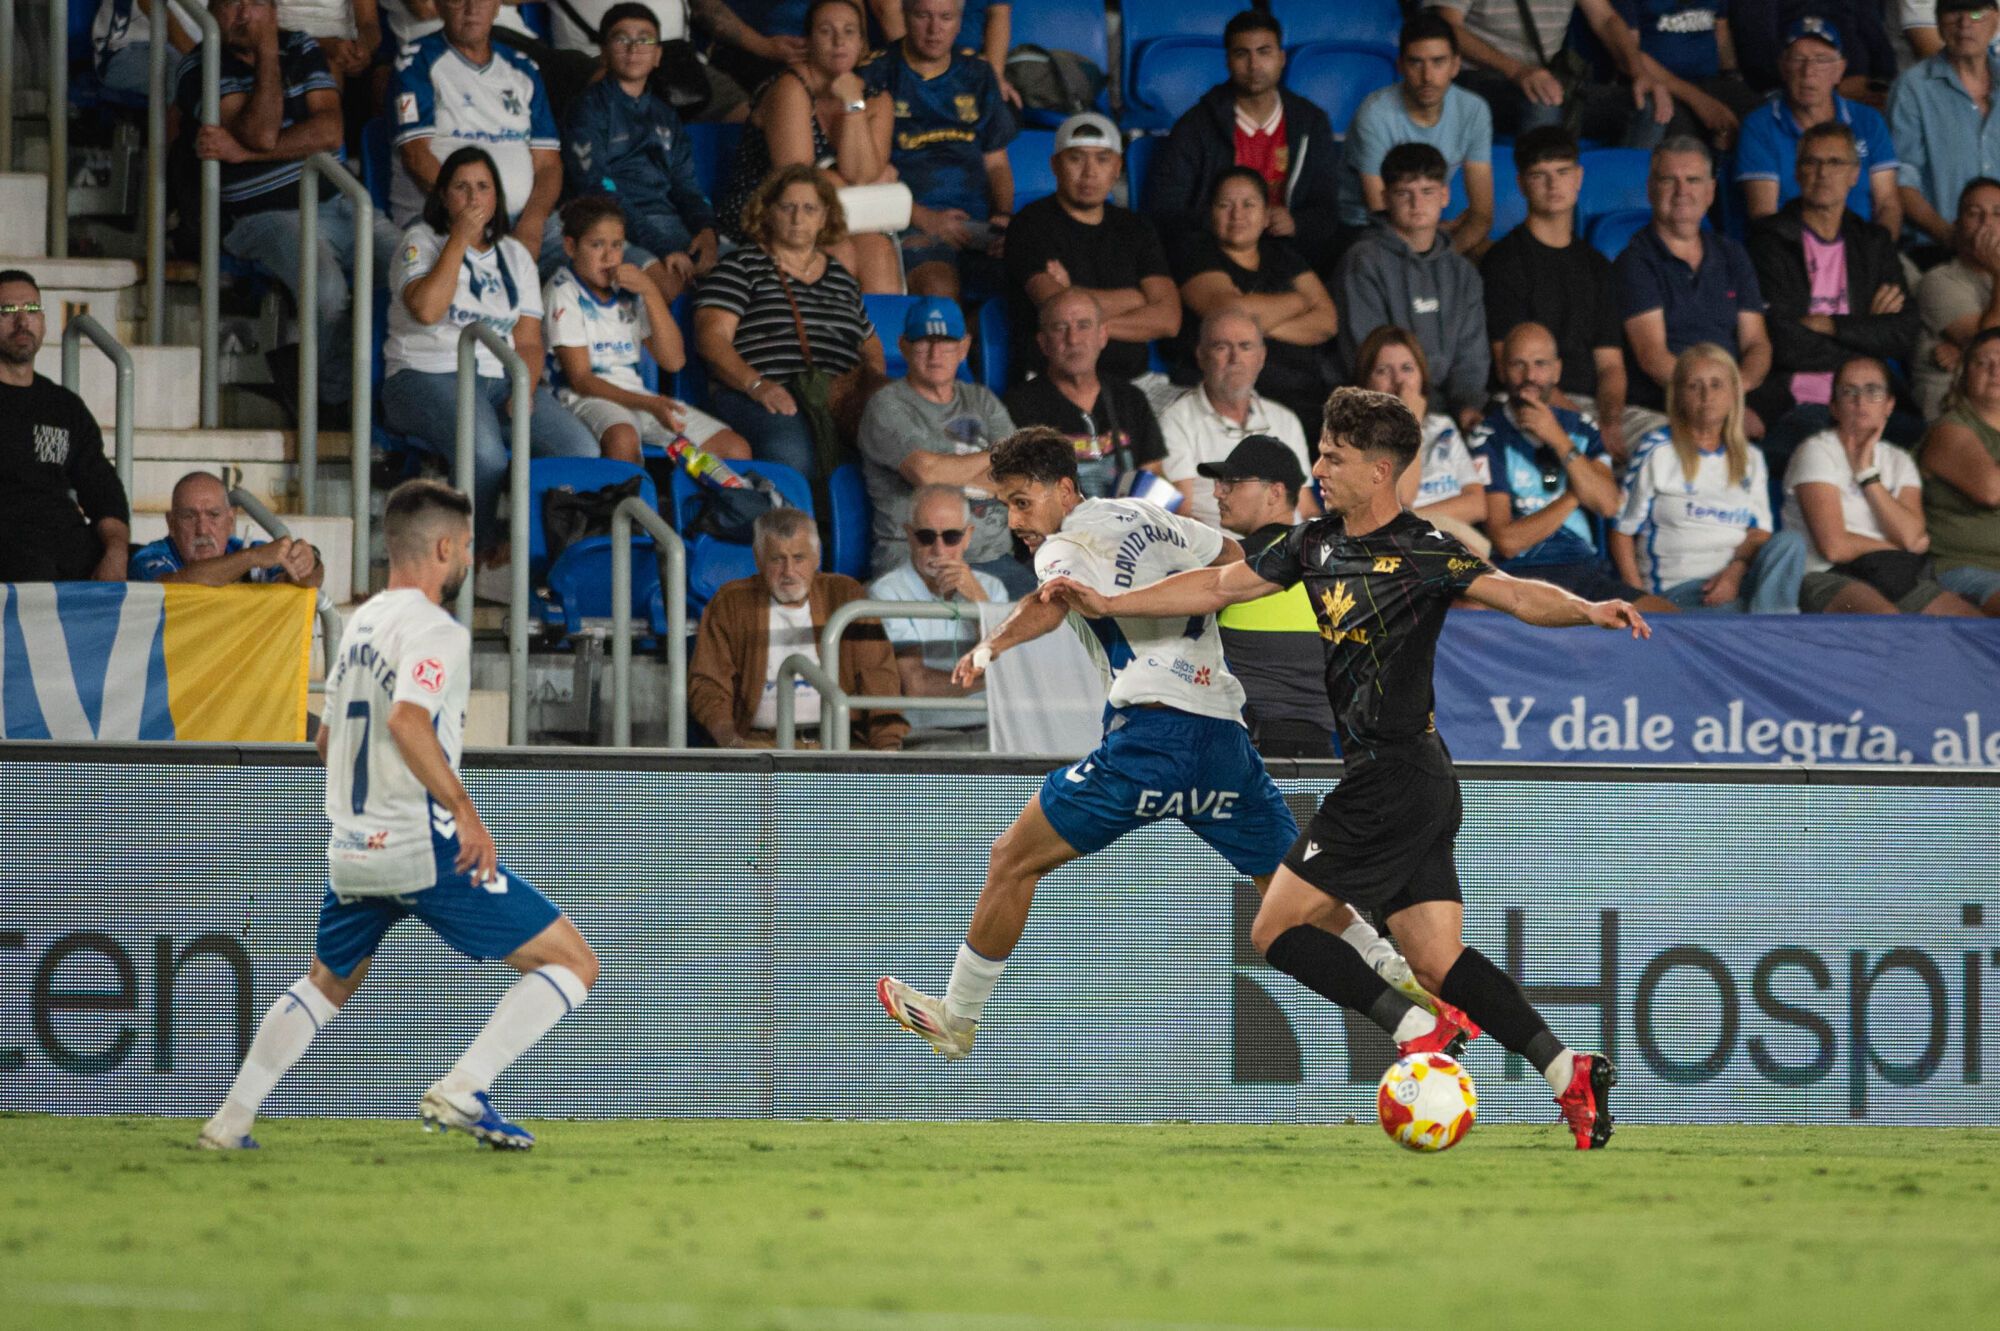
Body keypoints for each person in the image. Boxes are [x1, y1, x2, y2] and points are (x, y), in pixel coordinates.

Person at [1040, 388, 1648, 1150]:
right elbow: (1221, 584)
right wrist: (1112, 600)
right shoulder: (1312, 543)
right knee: (1434, 955)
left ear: (1380, 469)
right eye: (1321, 451)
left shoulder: (1425, 550)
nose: (1319, 466)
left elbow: (1516, 593)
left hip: (1392, 779)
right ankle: (1568, 1072)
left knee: (1276, 928)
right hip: (1415, 777)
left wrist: (1589, 609)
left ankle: (1417, 1027)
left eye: (1335, 456)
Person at [876, 426, 1463, 1075]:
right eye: (1009, 506)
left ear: (1066, 488)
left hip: (1153, 735)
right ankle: (1405, 990)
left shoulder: (1064, 544)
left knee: (1013, 858)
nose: (1018, 521)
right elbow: (1237, 556)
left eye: (1023, 501)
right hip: (1222, 735)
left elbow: (1052, 602)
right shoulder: (1160, 519)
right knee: (1289, 887)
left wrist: (991, 646)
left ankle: (959, 1016)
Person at [196, 479, 600, 1151]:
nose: (468, 558)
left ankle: (229, 1121)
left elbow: (329, 741)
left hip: (353, 847)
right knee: (575, 962)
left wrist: (367, 811)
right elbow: (409, 719)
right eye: (467, 546)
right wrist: (464, 811)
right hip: (421, 844)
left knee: (325, 982)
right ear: (445, 546)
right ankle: (466, 1086)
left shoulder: (360, 621)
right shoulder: (436, 630)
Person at [174, 0, 395, 413]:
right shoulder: (198, 65)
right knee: (329, 291)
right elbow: (260, 130)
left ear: (273, 9)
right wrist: (267, 56)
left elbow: (330, 132)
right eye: (230, 5)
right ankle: (334, 399)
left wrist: (245, 153)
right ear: (212, 12)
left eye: (254, 3)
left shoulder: (303, 46)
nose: (243, 14)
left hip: (335, 203)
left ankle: (386, 385)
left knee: (406, 269)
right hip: (261, 216)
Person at [380, 148, 600, 553]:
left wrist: (525, 388)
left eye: (483, 187)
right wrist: (459, 240)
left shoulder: (515, 254)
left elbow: (530, 341)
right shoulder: (419, 240)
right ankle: (469, 559)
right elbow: (428, 310)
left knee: (580, 449)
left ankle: (545, 560)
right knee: (486, 456)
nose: (473, 198)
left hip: (500, 380)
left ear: (496, 197)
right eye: (461, 187)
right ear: (444, 196)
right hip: (424, 375)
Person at [694, 165, 888, 480]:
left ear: (825, 217)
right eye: (788, 207)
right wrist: (756, 385)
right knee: (793, 456)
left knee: (899, 443)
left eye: (810, 208)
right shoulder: (740, 266)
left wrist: (871, 390)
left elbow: (871, 344)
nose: (798, 218)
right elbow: (711, 338)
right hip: (763, 391)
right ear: (767, 212)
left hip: (837, 396)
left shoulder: (840, 277)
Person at [1746, 121, 1918, 460]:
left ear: (1855, 174)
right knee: (1842, 456)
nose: (1823, 173)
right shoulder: (1770, 240)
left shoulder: (1873, 242)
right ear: (1797, 172)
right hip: (1796, 401)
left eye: (1835, 163)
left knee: (1930, 447)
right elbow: (1782, 342)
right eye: (1812, 162)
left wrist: (1833, 325)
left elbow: (1903, 331)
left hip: (1873, 403)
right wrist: (1866, 329)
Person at [1475, 322, 1675, 610]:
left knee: (1666, 617)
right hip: (1520, 578)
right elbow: (1507, 540)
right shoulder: (1488, 436)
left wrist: (1557, 438)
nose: (1530, 376)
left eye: (1540, 364)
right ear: (1502, 370)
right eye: (1519, 364)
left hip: (1585, 574)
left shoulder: (1582, 430)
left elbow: (1608, 504)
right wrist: (1575, 495)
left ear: (1557, 370)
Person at [542, 196, 748, 466]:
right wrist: (649, 405)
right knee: (623, 438)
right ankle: (624, 507)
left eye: (616, 245)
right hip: (584, 399)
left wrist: (650, 291)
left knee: (734, 449)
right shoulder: (562, 290)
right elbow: (581, 379)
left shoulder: (631, 290)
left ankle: (700, 507)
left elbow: (673, 361)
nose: (608, 256)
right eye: (596, 245)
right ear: (570, 247)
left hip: (640, 400)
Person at [714, 0, 900, 293]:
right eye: (827, 32)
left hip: (837, 218)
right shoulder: (790, 86)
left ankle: (877, 340)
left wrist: (853, 105)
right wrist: (855, 183)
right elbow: (798, 184)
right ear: (809, 41)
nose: (839, 41)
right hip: (768, 215)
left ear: (863, 44)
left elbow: (860, 175)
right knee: (840, 255)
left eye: (849, 32)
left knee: (879, 252)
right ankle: (827, 339)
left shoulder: (875, 99)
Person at [1142, 10, 1343, 278]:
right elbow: (1164, 209)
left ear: (1281, 58)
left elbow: (1327, 208)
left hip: (1288, 250)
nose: (1254, 64)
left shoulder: (1310, 122)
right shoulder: (1196, 125)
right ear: (1227, 61)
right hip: (1216, 251)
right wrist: (1225, 222)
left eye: (1264, 52)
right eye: (1241, 54)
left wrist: (1296, 222)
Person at [688, 505, 908, 748]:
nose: (789, 572)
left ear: (817, 558)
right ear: (758, 560)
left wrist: (886, 750)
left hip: (839, 743)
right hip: (759, 745)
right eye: (777, 559)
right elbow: (708, 685)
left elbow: (879, 678)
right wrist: (731, 743)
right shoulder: (731, 601)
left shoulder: (845, 595)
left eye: (799, 558)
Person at [1609, 345, 1805, 612]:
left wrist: (1734, 573)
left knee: (1790, 544)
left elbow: (1759, 534)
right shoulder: (1657, 450)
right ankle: (1770, 636)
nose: (1706, 396)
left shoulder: (1751, 458)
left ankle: (1767, 630)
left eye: (1716, 385)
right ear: (1678, 395)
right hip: (1679, 591)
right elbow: (1622, 530)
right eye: (1694, 386)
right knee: (1739, 616)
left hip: (1738, 580)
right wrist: (1639, 603)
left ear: (1734, 394)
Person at [1783, 356, 1981, 614]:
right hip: (1826, 575)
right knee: (1887, 623)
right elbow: (1834, 547)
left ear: (1889, 404)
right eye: (1848, 391)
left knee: (1972, 625)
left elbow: (1910, 535)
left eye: (1873, 391)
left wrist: (1867, 475)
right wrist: (1897, 548)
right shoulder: (1816, 451)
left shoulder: (1898, 460)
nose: (1860, 400)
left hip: (1893, 575)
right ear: (1833, 407)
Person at [1480, 126, 1631, 459]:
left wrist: (1610, 420)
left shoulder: (1597, 265)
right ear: (1521, 184)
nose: (1553, 184)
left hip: (1597, 408)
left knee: (1667, 447)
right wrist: (1584, 422)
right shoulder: (1502, 262)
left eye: (1562, 172)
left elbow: (1610, 366)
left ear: (1578, 178)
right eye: (1539, 175)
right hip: (1530, 399)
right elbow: (1511, 369)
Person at [1004, 112, 1181, 392]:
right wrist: (1136, 298)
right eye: (1076, 158)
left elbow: (1169, 320)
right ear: (1055, 165)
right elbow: (1060, 310)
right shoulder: (1030, 224)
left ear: (1117, 167)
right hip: (1058, 384)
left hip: (1140, 383)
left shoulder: (1136, 227)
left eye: (1102, 159)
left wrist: (1074, 292)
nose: (1089, 172)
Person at [857, 298, 1025, 592]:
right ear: (904, 345)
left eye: (946, 342)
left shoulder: (981, 399)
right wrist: (997, 460)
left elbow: (1021, 471)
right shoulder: (887, 405)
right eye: (924, 342)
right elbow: (926, 474)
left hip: (995, 560)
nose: (935, 354)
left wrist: (949, 470)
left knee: (1055, 620)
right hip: (920, 560)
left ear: (964, 348)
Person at [561, 4, 722, 303]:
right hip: (615, 228)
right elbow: (596, 191)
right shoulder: (588, 108)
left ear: (658, 55)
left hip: (670, 223)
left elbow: (687, 187)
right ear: (605, 52)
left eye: (645, 39)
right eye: (622, 39)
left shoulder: (666, 115)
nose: (634, 48)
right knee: (669, 283)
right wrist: (662, 247)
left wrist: (706, 230)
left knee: (744, 272)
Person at [1617, 136, 1773, 440]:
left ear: (1711, 191)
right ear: (1650, 189)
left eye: (1693, 180)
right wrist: (1716, 405)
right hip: (1665, 408)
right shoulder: (1635, 261)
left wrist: (1732, 397)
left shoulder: (1733, 254)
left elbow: (1757, 343)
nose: (1682, 191)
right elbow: (1653, 357)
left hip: (1733, 401)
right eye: (1668, 180)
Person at [858, 0, 1016, 299]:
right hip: (908, 222)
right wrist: (925, 218)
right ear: (904, 14)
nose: (934, 29)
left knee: (1036, 283)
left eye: (946, 17)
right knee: (939, 290)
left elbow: (997, 164)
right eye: (923, 16)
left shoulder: (979, 74)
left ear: (960, 22)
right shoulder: (874, 74)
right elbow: (865, 174)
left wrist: (1004, 216)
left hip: (978, 224)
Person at [388, 0, 564, 266]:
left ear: (496, 7)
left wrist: (533, 224)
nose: (471, 8)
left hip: (525, 219)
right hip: (445, 218)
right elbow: (415, 156)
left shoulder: (523, 67)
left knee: (602, 262)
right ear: (439, 6)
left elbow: (548, 164)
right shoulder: (417, 61)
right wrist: (476, 220)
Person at [1336, 142, 1491, 431]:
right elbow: (1368, 360)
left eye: (1427, 192)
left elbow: (1472, 358)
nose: (1416, 204)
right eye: (1404, 193)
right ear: (1385, 198)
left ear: (1444, 195)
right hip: (1382, 415)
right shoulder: (1363, 261)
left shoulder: (1462, 272)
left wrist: (1467, 407)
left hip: (1451, 417)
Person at [1202, 435, 1336, 758]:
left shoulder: (1229, 565)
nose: (1217, 491)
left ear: (1275, 492)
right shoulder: (1331, 563)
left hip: (1246, 761)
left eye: (1232, 482)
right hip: (1320, 759)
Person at [1173, 168, 1337, 430]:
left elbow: (1327, 321)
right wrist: (1299, 302)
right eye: (1225, 205)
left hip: (1304, 391)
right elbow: (1228, 310)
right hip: (1234, 394)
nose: (1237, 215)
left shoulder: (1282, 255)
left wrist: (1253, 324)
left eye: (1249, 204)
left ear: (1265, 216)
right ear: (1210, 213)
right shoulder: (1195, 253)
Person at [0, 271, 131, 583]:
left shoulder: (65, 407)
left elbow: (104, 491)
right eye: (6, 311)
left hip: (64, 546)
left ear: (43, 322)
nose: (22, 322)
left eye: (31, 310)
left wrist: (116, 552)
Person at [1340, 10, 1496, 255]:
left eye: (1438, 62)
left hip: (1425, 224)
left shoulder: (1474, 110)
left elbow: (1481, 215)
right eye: (1416, 62)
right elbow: (1381, 214)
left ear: (1455, 66)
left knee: (1493, 256)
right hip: (1363, 227)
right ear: (1400, 66)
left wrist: (1443, 258)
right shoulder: (1375, 113)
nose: (1427, 77)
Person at [867, 484, 1010, 748]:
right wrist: (990, 679)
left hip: (993, 730)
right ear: (909, 535)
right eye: (926, 536)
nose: (939, 549)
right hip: (925, 735)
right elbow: (917, 685)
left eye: (952, 537)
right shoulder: (887, 592)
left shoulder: (990, 589)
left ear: (968, 537)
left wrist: (978, 601)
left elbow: (1009, 665)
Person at [1736, 16, 1903, 233]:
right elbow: (1765, 215)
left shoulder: (1868, 121)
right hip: (1790, 255)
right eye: (1798, 59)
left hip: (1865, 252)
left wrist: (1879, 255)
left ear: (1840, 70)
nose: (1809, 72)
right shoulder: (1760, 126)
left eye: (1822, 60)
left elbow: (1887, 203)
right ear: (1783, 67)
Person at [1002, 288, 1170, 500]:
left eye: (1084, 326)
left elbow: (1153, 473)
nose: (1073, 339)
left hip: (1128, 526)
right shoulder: (1019, 406)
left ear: (1102, 336)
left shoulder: (1130, 398)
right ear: (1043, 343)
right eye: (1060, 328)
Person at [1434, 0, 1671, 146]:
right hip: (1479, 77)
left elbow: (1606, 18)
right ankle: (1536, 214)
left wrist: (1639, 72)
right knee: (1543, 102)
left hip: (1547, 80)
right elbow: (1446, 27)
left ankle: (1624, 209)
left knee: (1648, 107)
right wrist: (1516, 71)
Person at [1158, 309, 1313, 530]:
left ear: (1261, 357)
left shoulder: (1286, 419)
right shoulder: (1176, 420)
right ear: (1201, 356)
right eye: (1222, 347)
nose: (1235, 358)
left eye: (1245, 346)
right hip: (1221, 553)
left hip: (1290, 552)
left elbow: (1306, 507)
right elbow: (1180, 516)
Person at [1355, 325, 1488, 555]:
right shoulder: (1357, 438)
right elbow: (1404, 496)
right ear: (1366, 384)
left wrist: (1412, 520)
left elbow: (1477, 505)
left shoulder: (1442, 427)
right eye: (1383, 371)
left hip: (1444, 538)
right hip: (1398, 551)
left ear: (1422, 376)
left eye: (1407, 368)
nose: (1399, 382)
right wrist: (1411, 421)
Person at [1888, 0, 2000, 249]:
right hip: (1939, 249)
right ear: (1938, 21)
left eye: (1975, 12)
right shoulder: (1913, 89)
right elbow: (1901, 181)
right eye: (1954, 12)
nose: (1965, 23)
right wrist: (1952, 239)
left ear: (1995, 19)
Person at [1920, 326, 2000, 612]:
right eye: (1983, 362)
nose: (1995, 370)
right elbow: (1992, 490)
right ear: (1966, 373)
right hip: (1966, 569)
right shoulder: (1949, 430)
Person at [130, 471, 325, 588]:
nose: (203, 530)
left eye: (213, 515)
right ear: (171, 523)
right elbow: (174, 585)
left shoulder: (247, 550)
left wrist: (309, 561)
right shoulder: (148, 557)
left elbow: (307, 583)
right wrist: (250, 558)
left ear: (230, 521)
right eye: (189, 517)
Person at [1914, 177, 2000, 420]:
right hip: (1954, 413)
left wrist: (1964, 352)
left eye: (1998, 213)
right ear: (1958, 226)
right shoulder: (1939, 281)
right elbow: (1989, 349)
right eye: (1975, 214)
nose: (1987, 224)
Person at [91, 0, 195, 101]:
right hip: (122, 49)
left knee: (199, 80)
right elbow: (154, 8)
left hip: (179, 45)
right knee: (191, 80)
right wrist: (197, 58)